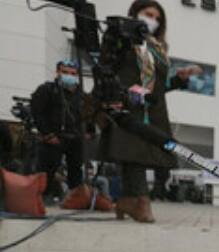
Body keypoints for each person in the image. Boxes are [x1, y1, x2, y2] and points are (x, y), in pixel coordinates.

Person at [98, 0, 201, 223]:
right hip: (127, 102)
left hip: (153, 108)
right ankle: (139, 201)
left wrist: (178, 79)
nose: (152, 20)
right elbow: (106, 66)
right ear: (135, 13)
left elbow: (157, 86)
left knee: (143, 153)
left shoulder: (159, 47)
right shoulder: (121, 36)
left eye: (157, 18)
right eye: (148, 14)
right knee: (131, 150)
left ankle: (127, 200)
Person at [31, 59, 87, 200]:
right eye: (65, 72)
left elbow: (87, 115)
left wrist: (88, 132)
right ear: (58, 72)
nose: (69, 75)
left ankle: (76, 199)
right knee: (47, 170)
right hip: (53, 138)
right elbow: (37, 113)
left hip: (74, 138)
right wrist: (47, 134)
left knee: (76, 171)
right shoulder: (47, 89)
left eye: (73, 73)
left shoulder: (81, 95)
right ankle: (41, 199)